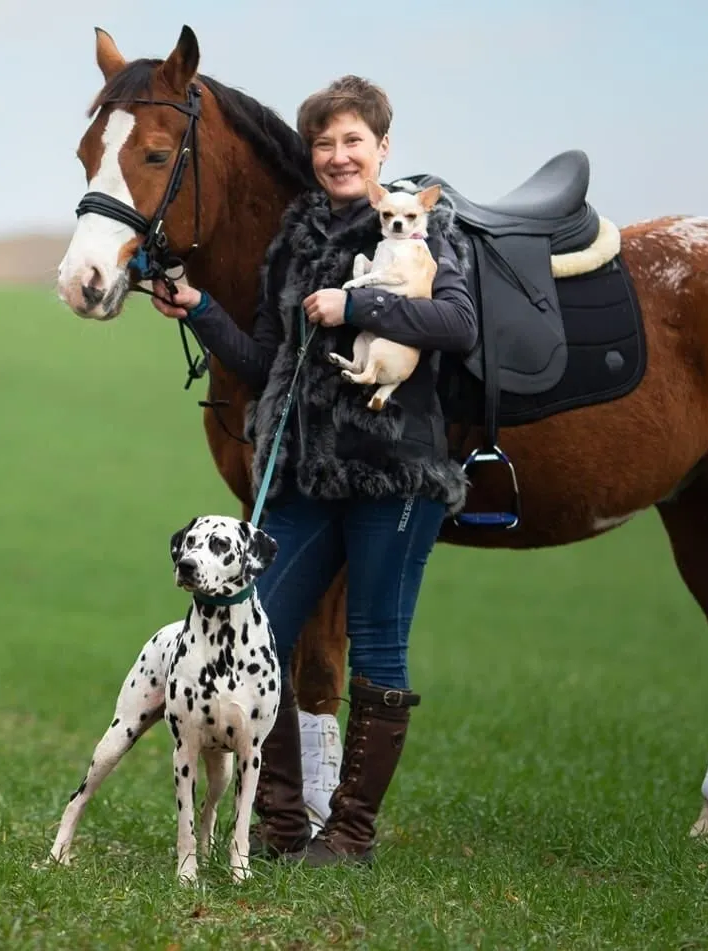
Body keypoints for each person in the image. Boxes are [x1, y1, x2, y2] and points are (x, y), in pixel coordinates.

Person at [151, 75, 478, 866]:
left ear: (381, 148)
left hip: (395, 475)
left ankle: (350, 834)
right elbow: (268, 360)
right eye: (323, 144)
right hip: (303, 474)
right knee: (256, 626)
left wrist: (357, 306)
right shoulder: (294, 237)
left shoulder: (427, 226)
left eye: (352, 142)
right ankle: (284, 820)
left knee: (376, 646)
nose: (336, 156)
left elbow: (457, 324)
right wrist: (197, 307)